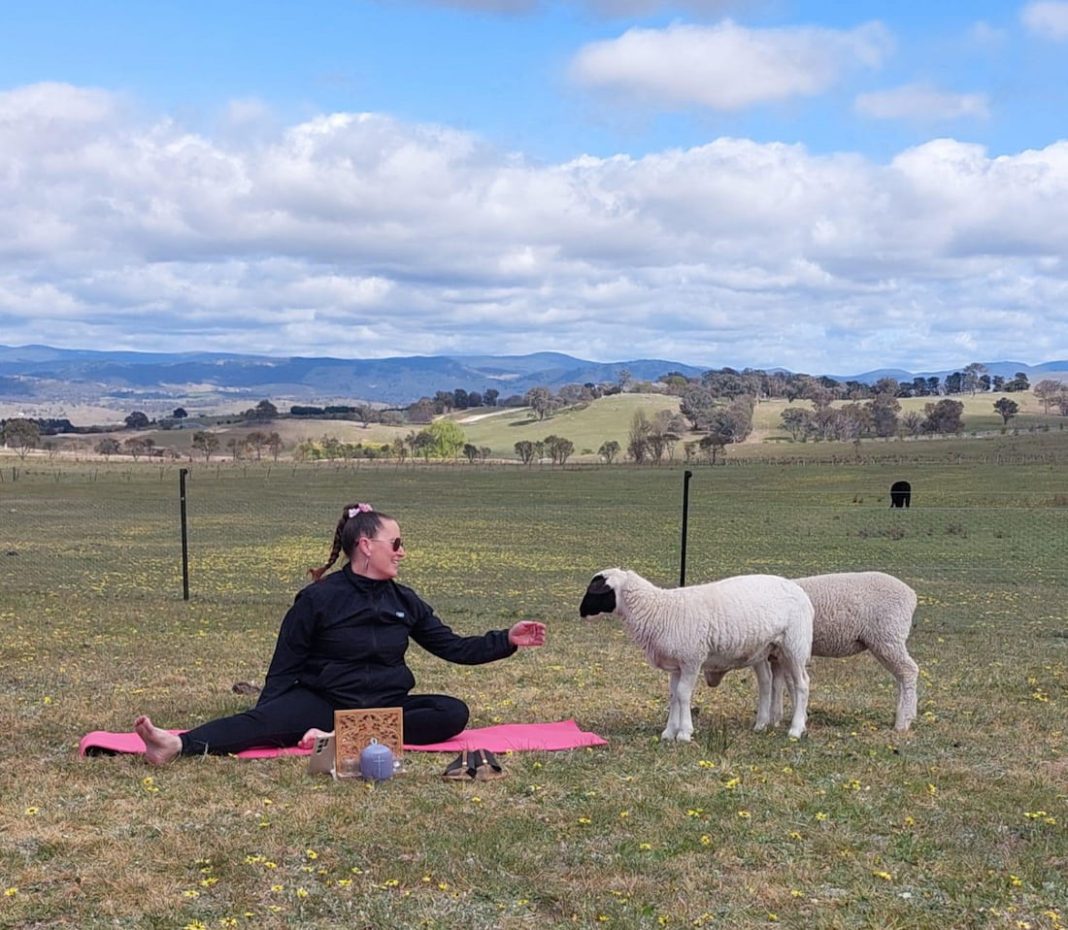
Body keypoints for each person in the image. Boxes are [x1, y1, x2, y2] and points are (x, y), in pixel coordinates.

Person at [134, 502, 546, 764]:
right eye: (396, 542)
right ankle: (173, 745)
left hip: (383, 706)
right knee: (253, 723)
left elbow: (452, 646)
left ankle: (336, 739)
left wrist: (506, 640)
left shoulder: (406, 599)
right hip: (322, 702)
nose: (402, 551)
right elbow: (286, 662)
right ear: (366, 546)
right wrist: (269, 715)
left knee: (451, 712)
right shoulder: (318, 599)